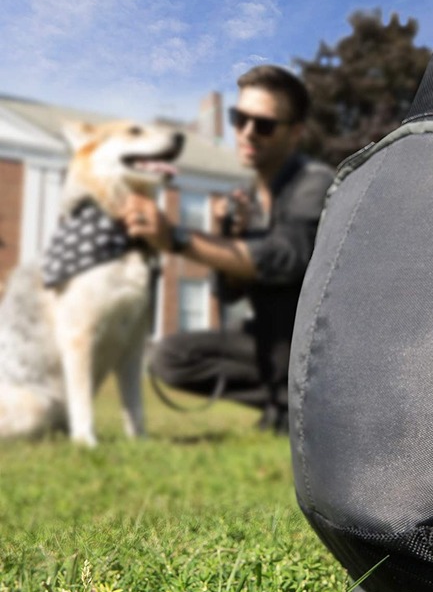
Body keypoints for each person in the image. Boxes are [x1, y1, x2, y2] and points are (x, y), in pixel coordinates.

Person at [124, 65, 335, 433]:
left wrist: (177, 238)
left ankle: (301, 405)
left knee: (286, 338)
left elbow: (286, 257)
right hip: (265, 340)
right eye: (239, 118)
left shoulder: (314, 184)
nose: (246, 132)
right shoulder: (251, 202)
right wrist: (229, 232)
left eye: (264, 124)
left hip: (317, 343)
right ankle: (281, 401)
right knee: (169, 358)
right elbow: (228, 292)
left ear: (294, 133)